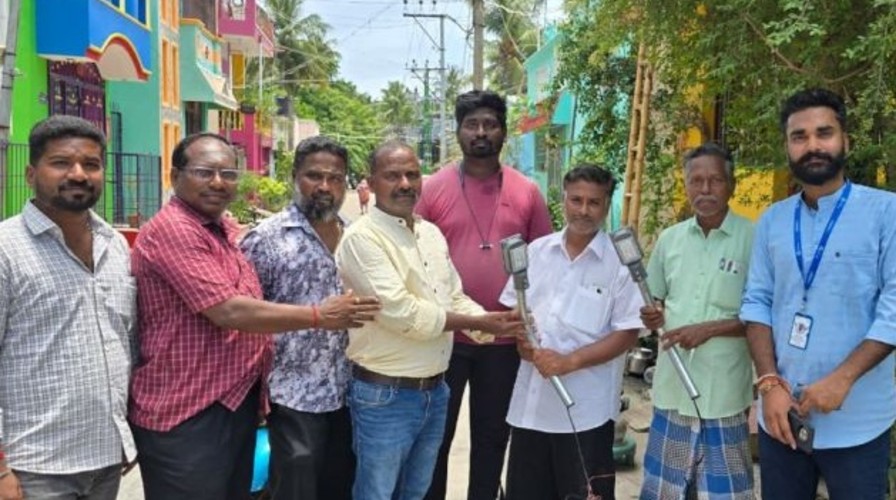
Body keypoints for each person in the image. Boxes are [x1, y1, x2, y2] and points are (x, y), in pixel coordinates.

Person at [129, 132, 380, 500]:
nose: (218, 182)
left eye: (228, 174)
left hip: (239, 399)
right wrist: (319, 315)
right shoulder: (179, 230)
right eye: (204, 172)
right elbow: (230, 310)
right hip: (189, 407)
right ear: (175, 175)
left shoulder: (224, 231)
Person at [335, 140, 524, 500]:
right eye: (392, 176)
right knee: (377, 494)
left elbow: (453, 295)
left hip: (435, 392)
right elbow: (402, 313)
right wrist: (480, 324)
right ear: (371, 183)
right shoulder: (362, 238)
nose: (405, 184)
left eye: (412, 174)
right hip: (384, 395)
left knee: (417, 492)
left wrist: (492, 320)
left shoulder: (430, 233)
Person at [741, 88, 896, 500]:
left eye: (824, 133)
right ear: (787, 147)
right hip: (781, 418)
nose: (812, 145)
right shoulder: (772, 221)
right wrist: (769, 383)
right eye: (799, 136)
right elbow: (756, 302)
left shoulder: (886, 213)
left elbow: (894, 309)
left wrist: (842, 379)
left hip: (858, 424)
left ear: (846, 141)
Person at [417, 90, 553, 500]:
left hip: (504, 341)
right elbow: (413, 257)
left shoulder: (527, 191)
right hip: (446, 338)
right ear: (458, 131)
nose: (481, 132)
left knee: (493, 438)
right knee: (435, 439)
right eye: (472, 124)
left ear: (504, 132)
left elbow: (545, 263)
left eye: (490, 124)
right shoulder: (433, 189)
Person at [0, 116, 136, 500]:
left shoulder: (115, 245)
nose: (78, 174)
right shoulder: (6, 249)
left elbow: (124, 342)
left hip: (105, 460)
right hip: (33, 468)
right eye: (61, 163)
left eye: (91, 164)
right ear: (31, 174)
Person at [498, 165, 643, 500]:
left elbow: (627, 333)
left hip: (586, 414)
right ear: (563, 199)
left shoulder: (620, 264)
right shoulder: (536, 252)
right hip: (531, 410)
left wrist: (570, 361)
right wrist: (521, 339)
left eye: (594, 202)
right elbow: (515, 313)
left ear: (606, 206)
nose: (583, 210)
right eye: (576, 200)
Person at [241, 136, 355, 500]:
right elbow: (245, 317)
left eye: (335, 178)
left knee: (340, 488)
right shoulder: (267, 239)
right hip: (290, 396)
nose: (325, 186)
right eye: (314, 176)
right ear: (295, 177)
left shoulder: (356, 237)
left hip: (350, 393)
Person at [638, 143, 755, 500]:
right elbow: (653, 301)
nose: (705, 189)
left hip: (724, 394)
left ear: (731, 185)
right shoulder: (670, 240)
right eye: (696, 180)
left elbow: (764, 315)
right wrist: (652, 314)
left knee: (725, 494)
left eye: (715, 180)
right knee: (664, 492)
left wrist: (709, 330)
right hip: (672, 390)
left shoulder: (754, 239)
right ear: (686, 185)